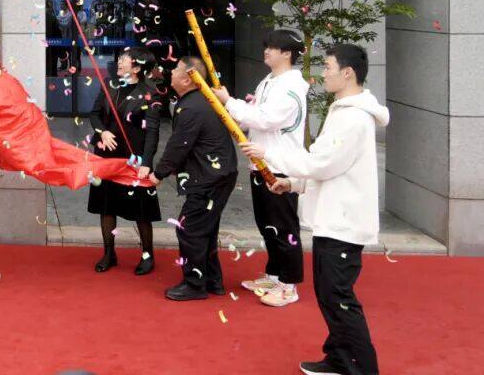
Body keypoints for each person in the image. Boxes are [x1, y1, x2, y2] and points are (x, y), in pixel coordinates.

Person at [241, 44, 384, 375]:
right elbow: (328, 165)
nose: (324, 73)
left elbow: (322, 163)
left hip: (344, 221)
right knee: (329, 294)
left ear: (347, 73)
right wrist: (292, 183)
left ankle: (361, 367)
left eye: (328, 67)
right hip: (332, 218)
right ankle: (338, 358)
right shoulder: (342, 110)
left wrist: (269, 154)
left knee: (338, 297)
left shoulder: (353, 117)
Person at [213, 28, 309, 307]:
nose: (266, 51)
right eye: (266, 46)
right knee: (267, 225)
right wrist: (238, 112)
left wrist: (229, 102)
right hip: (260, 161)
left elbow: (266, 119)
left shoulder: (290, 87)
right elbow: (254, 115)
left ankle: (289, 284)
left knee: (283, 226)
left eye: (272, 47)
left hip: (280, 166)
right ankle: (274, 275)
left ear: (287, 53)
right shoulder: (269, 80)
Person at [150, 56, 238, 301]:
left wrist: (159, 173)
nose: (171, 72)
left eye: (176, 69)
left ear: (188, 78)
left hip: (209, 177)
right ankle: (212, 280)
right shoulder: (198, 100)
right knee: (205, 229)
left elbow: (179, 144)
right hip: (217, 174)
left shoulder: (192, 106)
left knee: (189, 229)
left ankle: (194, 284)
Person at [87, 46, 163, 275]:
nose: (119, 62)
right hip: (106, 155)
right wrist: (102, 132)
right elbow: (94, 114)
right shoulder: (110, 85)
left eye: (125, 60)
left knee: (142, 211)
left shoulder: (150, 92)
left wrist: (147, 162)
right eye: (120, 58)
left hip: (134, 158)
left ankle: (148, 255)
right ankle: (109, 253)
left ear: (137, 68)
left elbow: (152, 131)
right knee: (106, 206)